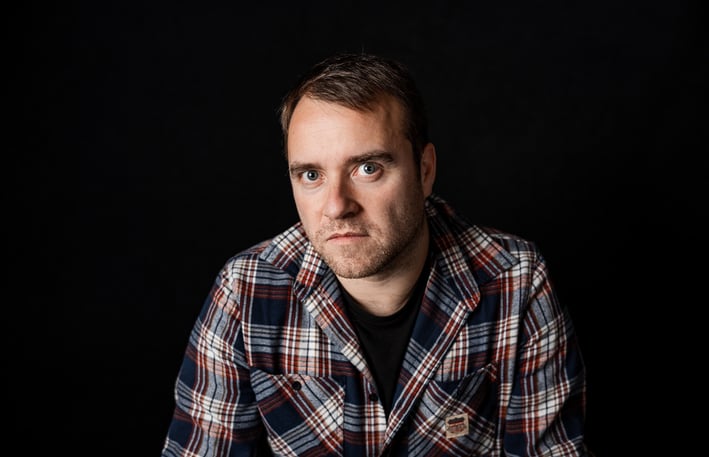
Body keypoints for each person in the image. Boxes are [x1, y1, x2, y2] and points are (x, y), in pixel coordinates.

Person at [161, 52, 592, 456]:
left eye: (368, 168)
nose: (336, 205)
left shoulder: (515, 281)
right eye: (311, 174)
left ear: (424, 171)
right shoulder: (246, 291)